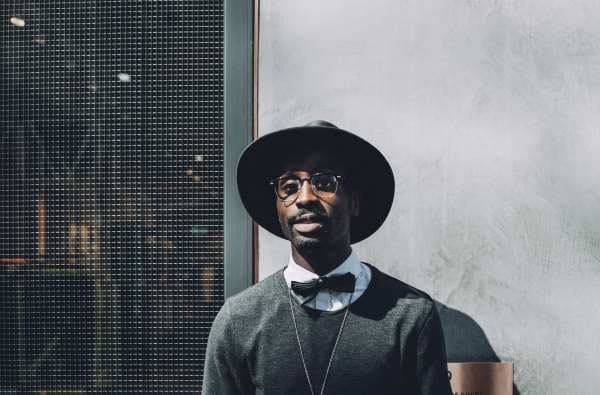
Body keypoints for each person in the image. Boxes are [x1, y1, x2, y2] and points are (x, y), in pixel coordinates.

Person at [202, 121, 452, 394]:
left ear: (355, 201)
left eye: (324, 182)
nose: (305, 197)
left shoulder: (411, 316)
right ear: (277, 208)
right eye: (289, 186)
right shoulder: (238, 320)